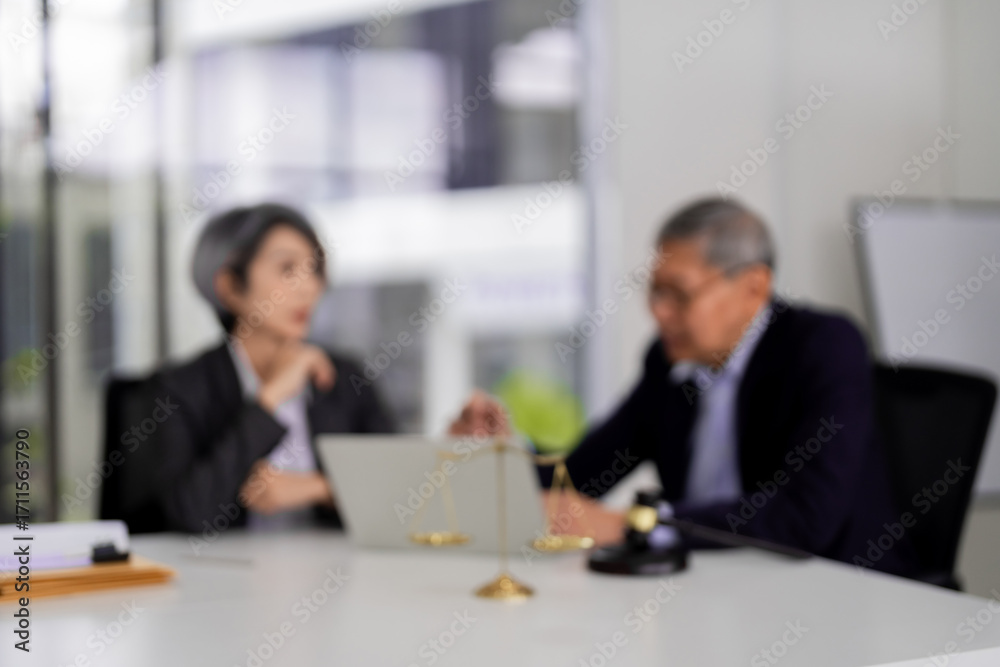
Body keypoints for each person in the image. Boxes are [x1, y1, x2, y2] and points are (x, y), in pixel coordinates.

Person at [450, 197, 917, 576]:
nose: (658, 311)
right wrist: (500, 457)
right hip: (715, 588)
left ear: (753, 288)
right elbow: (583, 478)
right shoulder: (669, 362)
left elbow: (805, 518)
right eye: (654, 291)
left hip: (841, 593)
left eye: (679, 293)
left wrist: (633, 524)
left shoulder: (824, 347)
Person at [142, 203, 396, 533]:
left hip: (335, 565)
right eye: (287, 269)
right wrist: (270, 398)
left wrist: (319, 488)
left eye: (314, 270)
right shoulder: (178, 390)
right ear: (230, 286)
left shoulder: (344, 379)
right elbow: (185, 515)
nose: (309, 288)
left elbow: (399, 489)